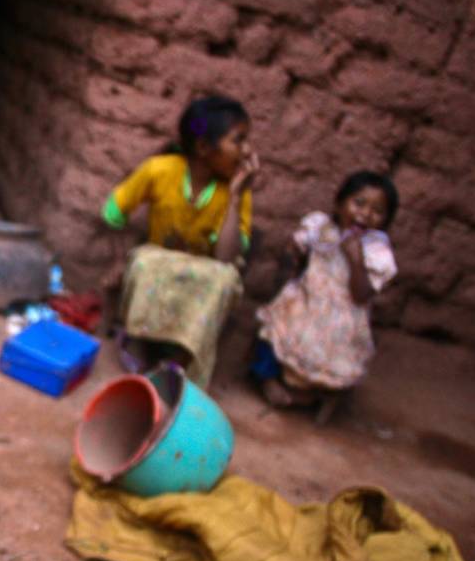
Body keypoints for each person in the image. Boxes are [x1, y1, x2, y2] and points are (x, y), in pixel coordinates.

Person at [102, 95, 260, 386]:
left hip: (204, 270)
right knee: (144, 260)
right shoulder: (159, 170)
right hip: (160, 263)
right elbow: (113, 212)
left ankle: (180, 360)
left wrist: (237, 197)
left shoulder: (235, 190)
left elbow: (226, 257)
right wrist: (117, 259)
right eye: (238, 141)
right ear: (203, 148)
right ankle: (138, 341)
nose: (247, 151)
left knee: (224, 278)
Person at [253, 171, 399, 414]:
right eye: (359, 203)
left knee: (333, 358)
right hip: (306, 299)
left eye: (377, 211)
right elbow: (296, 253)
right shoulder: (320, 226)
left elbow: (362, 295)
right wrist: (293, 256)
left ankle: (311, 396)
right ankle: (267, 379)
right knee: (274, 329)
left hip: (343, 315)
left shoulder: (376, 251)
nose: (365, 214)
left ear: (385, 221)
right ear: (339, 203)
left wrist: (356, 259)